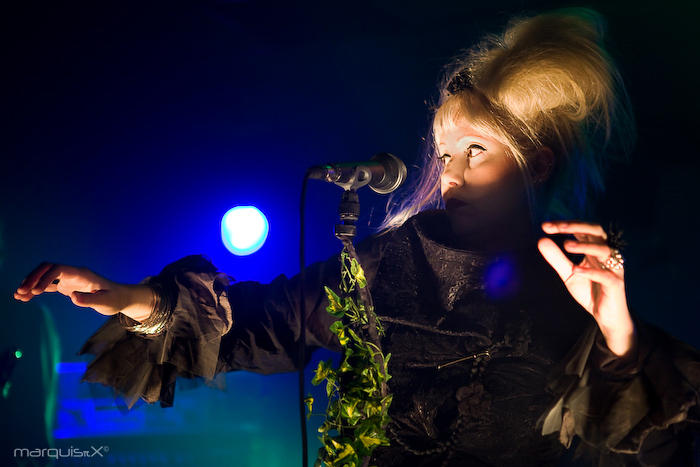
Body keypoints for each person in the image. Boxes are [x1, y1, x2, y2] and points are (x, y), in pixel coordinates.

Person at [13, 7, 700, 466]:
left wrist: (621, 339)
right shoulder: (387, 266)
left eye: (476, 151)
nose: (449, 171)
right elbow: (259, 324)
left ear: (536, 162)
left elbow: (635, 453)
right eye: (443, 150)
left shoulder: (571, 285)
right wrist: (129, 296)